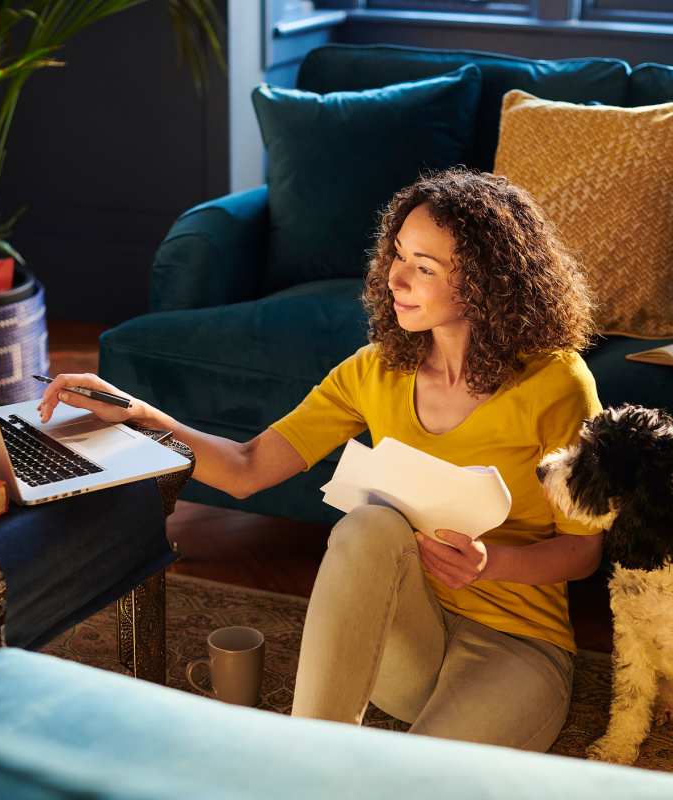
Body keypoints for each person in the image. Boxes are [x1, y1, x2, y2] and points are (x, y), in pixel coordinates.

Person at [38, 167, 604, 752]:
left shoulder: (556, 383)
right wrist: (135, 415)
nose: (396, 277)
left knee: (418, 782)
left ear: (484, 285)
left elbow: (584, 550)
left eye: (424, 268)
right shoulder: (375, 370)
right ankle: (306, 757)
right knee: (369, 526)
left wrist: (490, 565)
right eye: (398, 254)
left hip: (516, 642)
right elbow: (246, 466)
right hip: (403, 636)